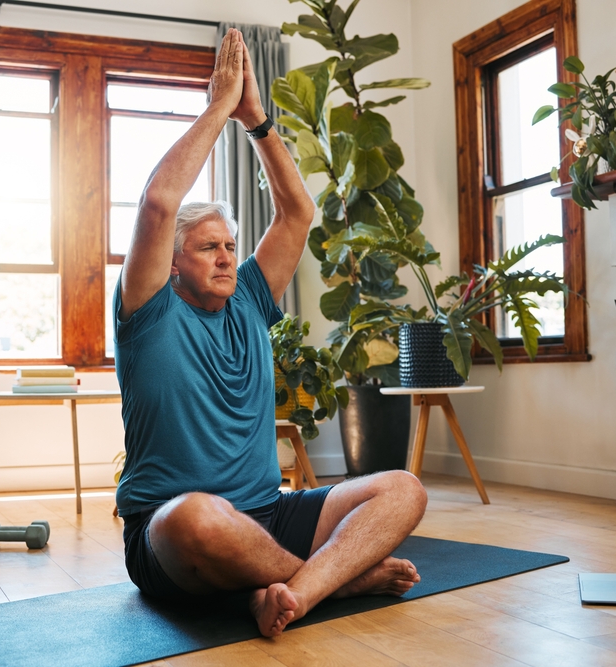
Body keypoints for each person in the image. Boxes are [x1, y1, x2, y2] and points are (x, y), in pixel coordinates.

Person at [113, 28, 428, 638]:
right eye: (209, 248)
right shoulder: (147, 311)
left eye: (231, 246)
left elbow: (297, 213)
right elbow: (158, 201)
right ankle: (342, 579)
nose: (229, 258)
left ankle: (293, 592)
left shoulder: (251, 299)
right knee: (198, 520)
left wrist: (256, 122)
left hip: (271, 511)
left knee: (403, 489)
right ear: (172, 263)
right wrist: (219, 106)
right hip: (172, 529)